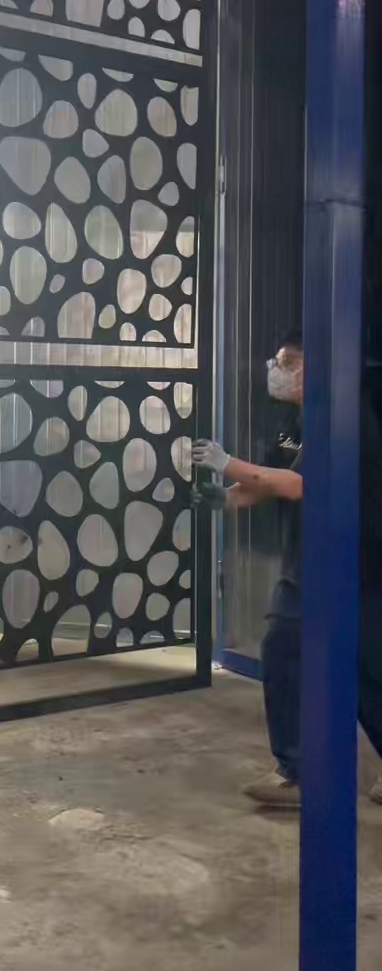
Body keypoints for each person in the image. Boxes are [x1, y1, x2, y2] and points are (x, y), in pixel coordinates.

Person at [193, 331, 382, 809]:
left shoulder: (346, 415)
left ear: (320, 367)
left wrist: (226, 462)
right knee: (282, 649)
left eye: (289, 361)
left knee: (365, 673)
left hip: (353, 562)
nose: (277, 370)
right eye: (278, 360)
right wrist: (226, 498)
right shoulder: (295, 419)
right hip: (305, 562)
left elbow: (299, 485)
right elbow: (272, 480)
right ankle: (295, 772)